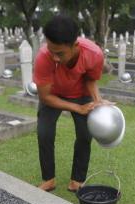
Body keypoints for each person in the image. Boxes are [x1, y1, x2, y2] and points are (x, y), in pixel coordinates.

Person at [33, 15, 107, 192]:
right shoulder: (44, 57)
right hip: (53, 94)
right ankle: (48, 179)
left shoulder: (94, 54)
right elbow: (45, 97)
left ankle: (77, 180)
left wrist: (97, 101)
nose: (55, 58)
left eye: (60, 53)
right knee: (44, 133)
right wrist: (76, 108)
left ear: (75, 45)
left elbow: (90, 79)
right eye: (51, 51)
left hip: (80, 93)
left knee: (84, 135)